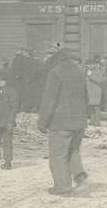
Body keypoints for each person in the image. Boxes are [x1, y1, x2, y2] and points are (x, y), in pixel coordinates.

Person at [37, 47, 88, 196]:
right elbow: (86, 97)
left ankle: (62, 187)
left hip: (61, 122)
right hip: (79, 121)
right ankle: (80, 178)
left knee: (58, 155)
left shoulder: (55, 72)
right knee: (73, 150)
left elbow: (49, 100)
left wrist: (42, 121)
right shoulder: (79, 71)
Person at [85, 58, 104, 126]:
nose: (89, 66)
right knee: (90, 107)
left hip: (96, 92)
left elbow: (100, 80)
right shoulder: (86, 71)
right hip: (89, 92)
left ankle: (97, 121)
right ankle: (92, 121)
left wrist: (90, 76)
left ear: (94, 65)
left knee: (96, 107)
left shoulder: (98, 71)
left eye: (90, 65)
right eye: (87, 65)